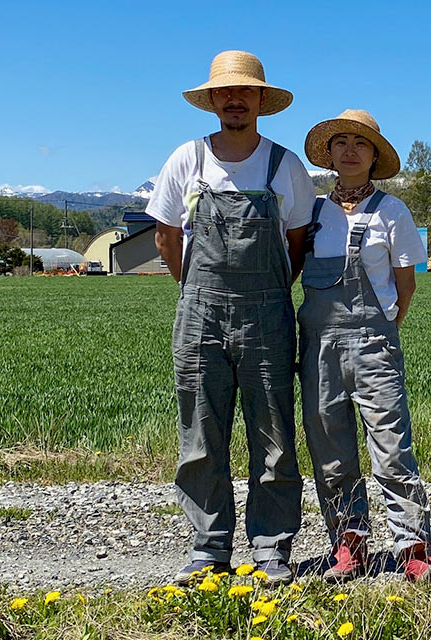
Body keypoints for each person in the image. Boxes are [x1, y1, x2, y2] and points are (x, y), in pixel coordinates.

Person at [146, 50, 316, 585]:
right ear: (213, 100)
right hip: (198, 312)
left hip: (268, 314)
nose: (235, 99)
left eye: (245, 92)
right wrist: (195, 289)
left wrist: (266, 294)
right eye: (225, 92)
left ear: (262, 100)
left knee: (274, 435)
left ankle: (271, 547)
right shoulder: (187, 160)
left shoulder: (284, 165)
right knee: (200, 435)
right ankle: (209, 546)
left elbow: (296, 242)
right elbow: (167, 236)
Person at [299, 109, 431, 582]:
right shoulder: (312, 213)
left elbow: (406, 286)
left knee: (392, 448)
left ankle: (414, 549)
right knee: (330, 451)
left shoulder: (392, 211)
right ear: (329, 154)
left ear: (375, 155)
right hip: (318, 347)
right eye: (340, 142)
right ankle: (349, 546)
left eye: (360, 143)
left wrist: (380, 329)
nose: (350, 150)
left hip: (373, 343)